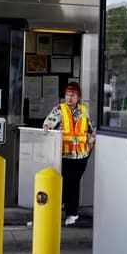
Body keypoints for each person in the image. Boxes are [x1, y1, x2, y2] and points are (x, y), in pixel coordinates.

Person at [43, 82, 95, 226]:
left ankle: (70, 211)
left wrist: (91, 143)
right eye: (67, 95)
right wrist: (47, 127)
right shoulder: (59, 110)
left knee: (73, 184)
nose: (69, 98)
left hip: (81, 155)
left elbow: (91, 130)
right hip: (65, 156)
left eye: (72, 95)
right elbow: (47, 124)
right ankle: (70, 212)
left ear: (78, 97)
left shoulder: (83, 111)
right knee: (69, 184)